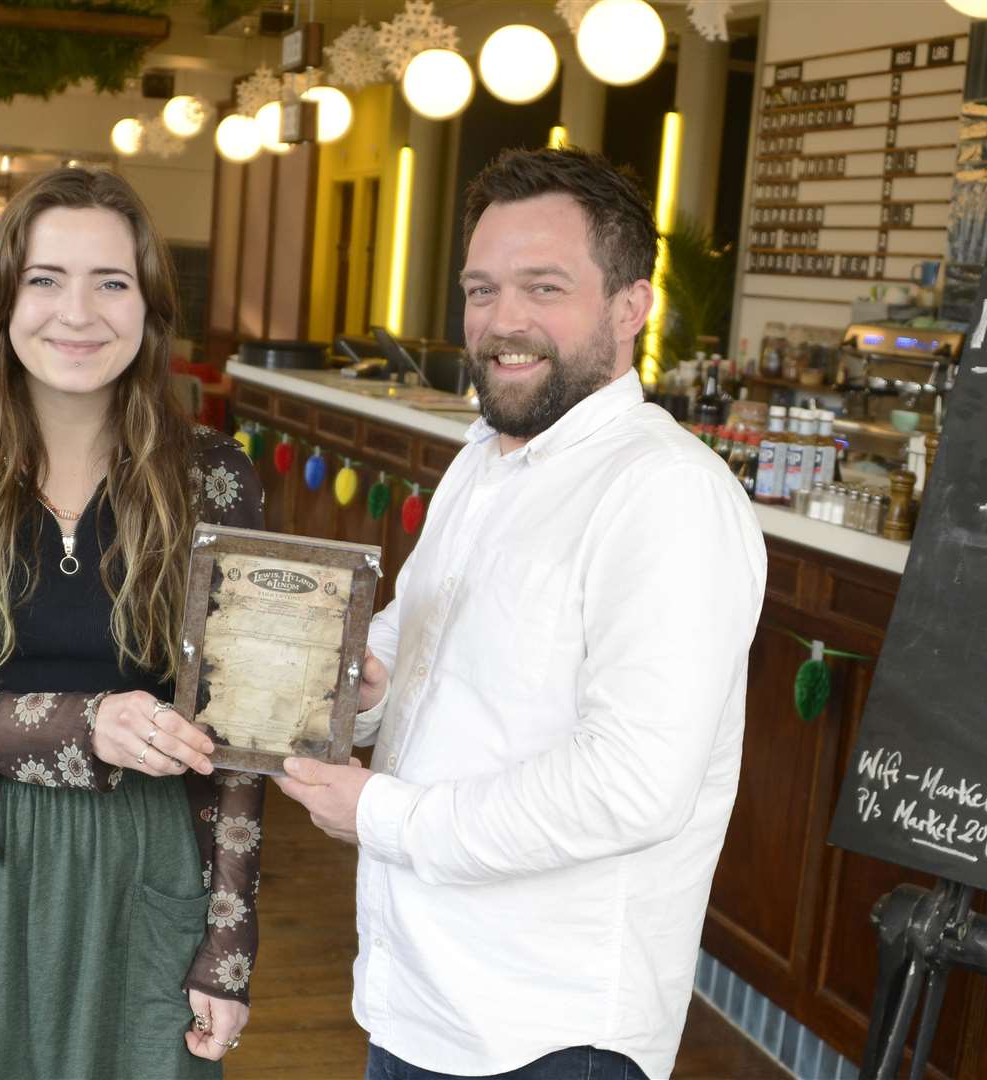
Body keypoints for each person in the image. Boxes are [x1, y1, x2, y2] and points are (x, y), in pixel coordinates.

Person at [275, 148, 767, 1080]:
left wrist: (386, 815)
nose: (503, 321)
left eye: (544, 287)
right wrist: (361, 684)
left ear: (630, 308)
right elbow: (409, 639)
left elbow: (630, 783)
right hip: (420, 991)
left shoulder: (665, 496)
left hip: (546, 1030)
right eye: (481, 288)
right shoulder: (486, 457)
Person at [0, 167, 267, 1078]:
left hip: (149, 860)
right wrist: (90, 723)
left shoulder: (217, 478)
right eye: (45, 279)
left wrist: (230, 944)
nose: (76, 313)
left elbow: (239, 733)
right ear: (5, 298)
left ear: (149, 305)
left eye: (110, 282)